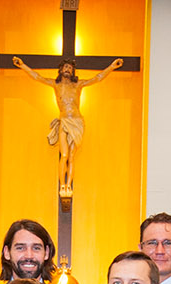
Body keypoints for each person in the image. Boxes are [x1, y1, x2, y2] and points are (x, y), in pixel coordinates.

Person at [11, 55, 124, 199]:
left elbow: (97, 78)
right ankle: (62, 185)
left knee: (71, 156)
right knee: (64, 155)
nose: (68, 69)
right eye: (65, 67)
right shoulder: (56, 84)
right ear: (60, 70)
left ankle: (68, 185)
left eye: (70, 68)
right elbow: (37, 77)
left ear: (73, 71)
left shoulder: (78, 85)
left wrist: (112, 67)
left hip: (77, 122)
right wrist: (22, 65)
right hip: (64, 120)